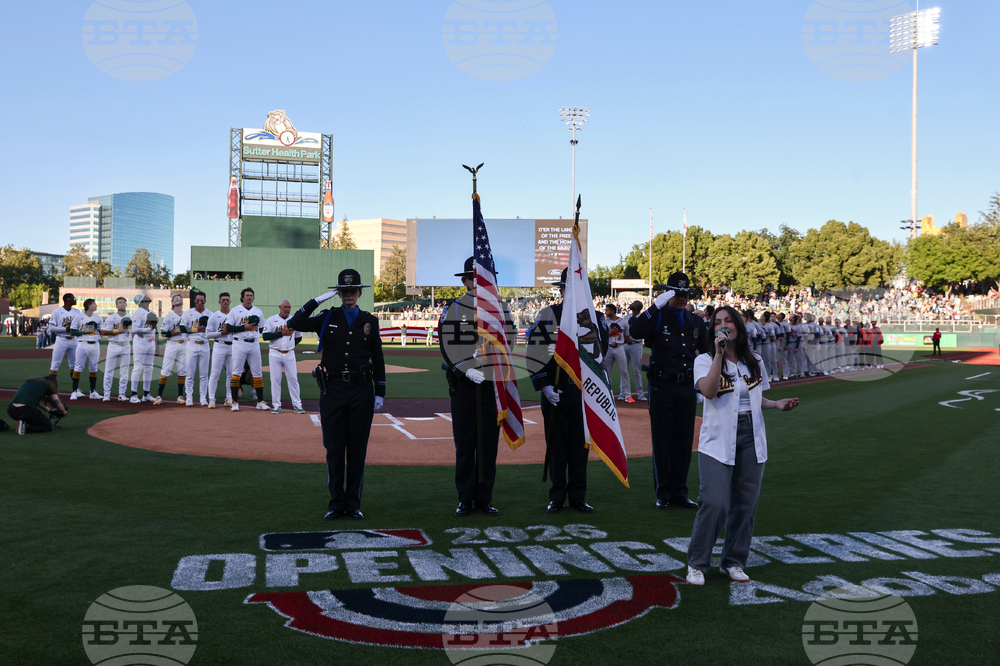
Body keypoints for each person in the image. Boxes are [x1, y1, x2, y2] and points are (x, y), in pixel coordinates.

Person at [685, 306, 800, 586]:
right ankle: (698, 564)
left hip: (752, 434)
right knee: (714, 502)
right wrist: (719, 355)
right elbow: (709, 391)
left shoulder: (755, 360)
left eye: (728, 321)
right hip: (718, 438)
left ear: (739, 325)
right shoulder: (705, 359)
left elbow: (752, 398)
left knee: (745, 504)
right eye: (718, 322)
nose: (723, 325)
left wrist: (776, 404)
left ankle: (733, 562)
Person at [288, 269, 386, 521]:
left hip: (361, 391)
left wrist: (380, 390)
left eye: (352, 291)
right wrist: (319, 299)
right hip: (332, 391)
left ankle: (353, 503)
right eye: (343, 291)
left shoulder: (369, 321)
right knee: (333, 448)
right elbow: (294, 323)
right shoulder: (327, 316)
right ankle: (335, 503)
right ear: (338, 293)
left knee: (357, 449)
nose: (348, 295)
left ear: (359, 293)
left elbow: (378, 357)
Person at [439, 257, 516, 517]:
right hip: (464, 386)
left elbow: (510, 340)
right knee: (465, 445)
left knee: (487, 446)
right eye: (473, 278)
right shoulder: (454, 307)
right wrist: (464, 367)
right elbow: (446, 344)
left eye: (482, 278)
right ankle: (464, 499)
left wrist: (494, 359)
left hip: (490, 386)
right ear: (465, 281)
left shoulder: (499, 309)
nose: (477, 282)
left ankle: (484, 498)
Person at [528, 267, 607, 514]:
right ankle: (557, 495)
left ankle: (578, 495)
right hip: (556, 390)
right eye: (567, 289)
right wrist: (544, 385)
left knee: (579, 446)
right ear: (561, 291)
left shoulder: (595, 318)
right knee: (556, 445)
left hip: (583, 392)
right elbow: (535, 354)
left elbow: (600, 353)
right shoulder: (548, 315)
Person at [629, 271, 708, 509]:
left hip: (686, 387)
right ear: (669, 294)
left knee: (683, 442)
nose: (683, 298)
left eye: (686, 294)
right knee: (663, 440)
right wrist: (654, 306)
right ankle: (663, 493)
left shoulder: (696, 322)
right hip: (662, 385)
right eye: (678, 293)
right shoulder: (658, 316)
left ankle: (680, 492)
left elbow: (704, 355)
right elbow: (635, 332)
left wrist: (700, 386)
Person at [226, 288, 269, 411]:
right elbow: (228, 327)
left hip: (254, 343)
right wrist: (244, 327)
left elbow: (261, 329)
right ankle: (234, 402)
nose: (250, 297)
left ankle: (260, 401)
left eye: (251, 295)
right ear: (242, 297)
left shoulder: (258, 311)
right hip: (239, 343)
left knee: (258, 373)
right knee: (236, 373)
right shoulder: (235, 310)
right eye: (247, 295)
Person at [262, 299, 305, 414]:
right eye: (285, 307)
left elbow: (299, 337)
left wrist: (291, 345)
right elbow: (265, 336)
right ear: (280, 307)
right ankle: (276, 405)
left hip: (289, 353)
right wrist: (281, 333)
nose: (287, 309)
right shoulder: (272, 320)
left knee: (293, 379)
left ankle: (297, 404)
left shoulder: (294, 320)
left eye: (289, 307)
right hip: (275, 353)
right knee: (275, 379)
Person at [180, 292, 213, 406]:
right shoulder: (188, 313)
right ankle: (189, 397)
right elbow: (182, 328)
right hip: (192, 344)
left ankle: (203, 398)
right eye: (198, 301)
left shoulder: (210, 314)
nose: (200, 303)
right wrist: (196, 329)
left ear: (205, 301)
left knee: (204, 374)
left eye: (202, 301)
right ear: (194, 301)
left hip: (204, 344)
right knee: (190, 373)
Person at [154, 294, 188, 405]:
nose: (179, 300)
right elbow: (163, 333)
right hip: (172, 344)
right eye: (176, 299)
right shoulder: (169, 316)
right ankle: (159, 396)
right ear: (172, 303)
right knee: (166, 369)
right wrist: (177, 332)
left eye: (180, 298)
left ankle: (180, 396)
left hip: (184, 345)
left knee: (182, 370)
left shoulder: (187, 315)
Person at [69, 298, 103, 400]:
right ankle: (74, 392)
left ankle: (93, 392)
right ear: (89, 306)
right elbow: (72, 331)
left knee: (93, 368)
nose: (96, 306)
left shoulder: (98, 318)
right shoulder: (79, 317)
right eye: (94, 304)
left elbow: (101, 331)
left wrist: (98, 336)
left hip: (95, 344)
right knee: (78, 368)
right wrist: (84, 332)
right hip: (82, 344)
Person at [99, 297, 132, 401]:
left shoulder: (130, 317)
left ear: (126, 305)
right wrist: (118, 331)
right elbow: (103, 332)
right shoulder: (111, 318)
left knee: (124, 371)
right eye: (120, 302)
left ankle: (122, 393)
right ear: (116, 305)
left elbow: (133, 332)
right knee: (109, 370)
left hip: (126, 345)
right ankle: (106, 393)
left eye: (124, 302)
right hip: (113, 345)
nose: (122, 304)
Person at [205, 293, 234, 408]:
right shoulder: (214, 316)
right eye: (223, 300)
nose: (225, 302)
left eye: (227, 300)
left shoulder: (234, 315)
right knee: (215, 373)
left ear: (230, 301)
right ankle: (212, 398)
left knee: (231, 374)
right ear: (219, 302)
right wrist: (221, 333)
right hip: (219, 345)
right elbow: (207, 334)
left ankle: (229, 397)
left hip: (232, 346)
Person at [129, 294, 157, 403]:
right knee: (137, 367)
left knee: (149, 368)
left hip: (151, 342)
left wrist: (157, 345)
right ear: (141, 301)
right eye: (145, 297)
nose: (148, 297)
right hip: (140, 342)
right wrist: (149, 328)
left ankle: (146, 394)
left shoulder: (151, 312)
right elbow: (135, 330)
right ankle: (134, 395)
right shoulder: (138, 313)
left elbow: (155, 330)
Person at [47, 293, 81, 380]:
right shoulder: (57, 311)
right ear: (68, 300)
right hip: (61, 339)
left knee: (74, 365)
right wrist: (66, 330)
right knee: (55, 364)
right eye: (73, 298)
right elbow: (51, 328)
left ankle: (75, 389)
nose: (75, 300)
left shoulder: (77, 312)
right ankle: (50, 388)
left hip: (74, 340)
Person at [603, 304, 631, 401]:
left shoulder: (623, 321)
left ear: (612, 311)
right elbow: (601, 336)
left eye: (607, 310)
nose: (605, 312)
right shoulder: (605, 322)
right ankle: (607, 393)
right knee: (607, 373)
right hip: (608, 348)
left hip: (619, 347)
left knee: (624, 372)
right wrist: (609, 334)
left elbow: (627, 337)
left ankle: (628, 395)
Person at [624, 300, 647, 402]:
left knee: (636, 370)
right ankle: (623, 393)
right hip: (625, 344)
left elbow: (643, 332)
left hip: (636, 345)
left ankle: (640, 393)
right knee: (624, 370)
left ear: (637, 307)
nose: (631, 304)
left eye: (633, 303)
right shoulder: (627, 317)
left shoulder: (642, 318)